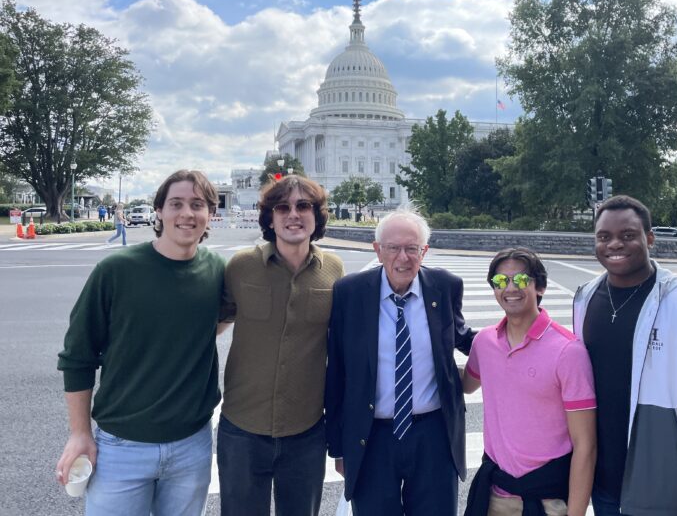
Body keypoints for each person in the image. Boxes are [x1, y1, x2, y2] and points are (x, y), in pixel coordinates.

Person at [56, 170, 227, 516]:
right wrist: (79, 433)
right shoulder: (116, 270)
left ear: (211, 214)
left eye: (197, 205)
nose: (186, 213)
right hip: (122, 445)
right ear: (159, 211)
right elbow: (77, 356)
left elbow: (219, 320)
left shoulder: (219, 271)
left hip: (192, 443)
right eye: (176, 204)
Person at [572, 195, 677, 516]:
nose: (614, 244)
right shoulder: (585, 298)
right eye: (604, 237)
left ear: (650, 238)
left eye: (628, 235)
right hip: (603, 489)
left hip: (665, 495)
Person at [325, 204, 476, 516]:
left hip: (434, 434)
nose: (403, 258)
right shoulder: (350, 293)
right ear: (378, 250)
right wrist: (339, 446)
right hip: (372, 436)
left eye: (412, 248)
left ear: (425, 251)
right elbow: (337, 371)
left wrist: (517, 338)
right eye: (393, 248)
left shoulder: (445, 287)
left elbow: (465, 338)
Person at [217, 174, 345, 516]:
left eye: (303, 206)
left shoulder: (333, 269)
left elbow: (343, 347)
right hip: (243, 427)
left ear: (316, 216)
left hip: (305, 432)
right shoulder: (241, 267)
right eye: (283, 207)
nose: (293, 214)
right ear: (269, 218)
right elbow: (212, 324)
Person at [462, 247, 597, 516]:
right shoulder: (484, 343)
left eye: (521, 280)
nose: (510, 287)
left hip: (547, 502)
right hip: (494, 497)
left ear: (540, 287)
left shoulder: (568, 352)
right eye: (501, 281)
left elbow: (586, 445)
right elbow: (465, 384)